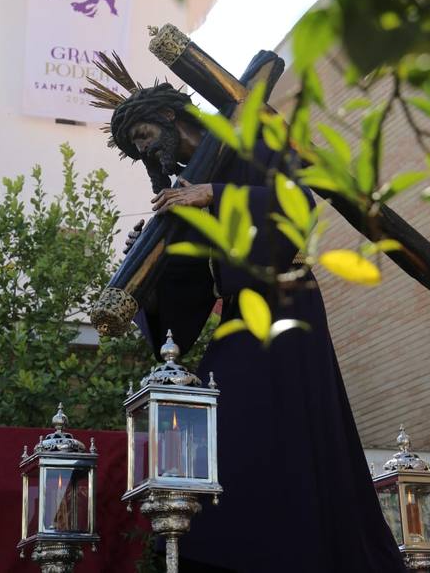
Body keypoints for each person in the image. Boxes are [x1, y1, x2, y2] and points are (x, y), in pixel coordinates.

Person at [91, 73, 406, 573]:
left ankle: (283, 548)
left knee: (271, 426)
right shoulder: (184, 191)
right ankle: (219, 551)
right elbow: (188, 290)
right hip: (239, 314)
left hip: (286, 305)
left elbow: (296, 205)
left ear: (170, 117)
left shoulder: (248, 143)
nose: (147, 153)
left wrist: (216, 193)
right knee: (224, 426)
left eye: (145, 137)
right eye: (137, 149)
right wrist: (151, 265)